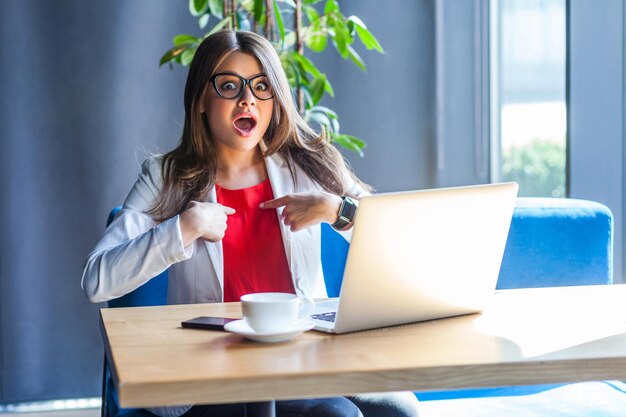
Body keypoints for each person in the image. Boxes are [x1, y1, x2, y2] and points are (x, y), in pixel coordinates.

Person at [82, 30, 419, 417]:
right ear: (201, 102)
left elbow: (399, 247)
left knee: (399, 410)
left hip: (303, 357)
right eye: (229, 86)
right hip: (210, 374)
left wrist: (337, 210)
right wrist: (183, 228)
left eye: (261, 87)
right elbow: (97, 280)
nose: (247, 100)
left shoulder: (311, 163)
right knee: (334, 415)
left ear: (275, 99)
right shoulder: (166, 176)